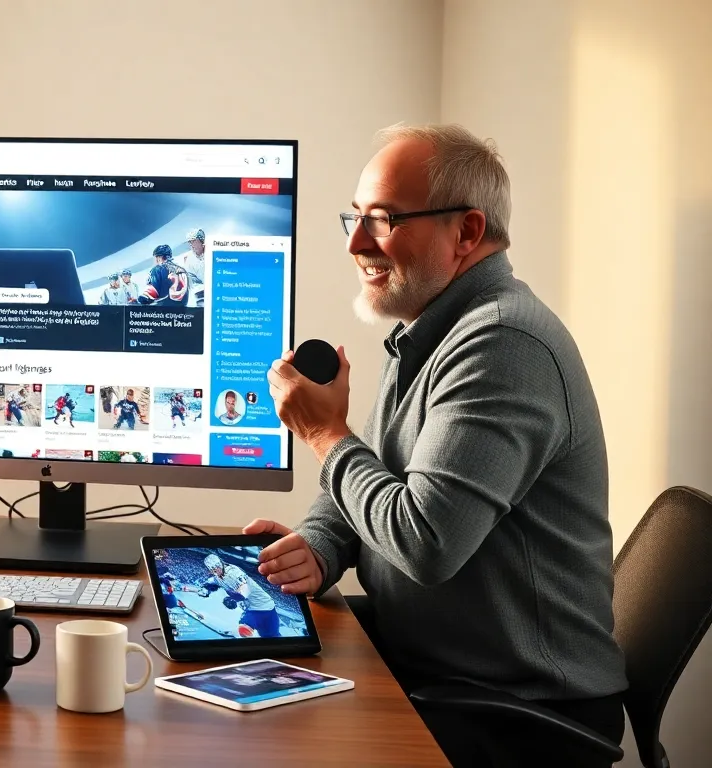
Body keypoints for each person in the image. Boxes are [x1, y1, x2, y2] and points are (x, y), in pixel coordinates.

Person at [248, 124, 626, 766]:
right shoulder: (430, 328)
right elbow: (371, 483)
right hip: (437, 671)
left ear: (467, 233)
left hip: (517, 713)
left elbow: (423, 541)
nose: (356, 242)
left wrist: (322, 432)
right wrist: (318, 546)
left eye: (384, 220)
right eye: (355, 217)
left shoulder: (502, 345)